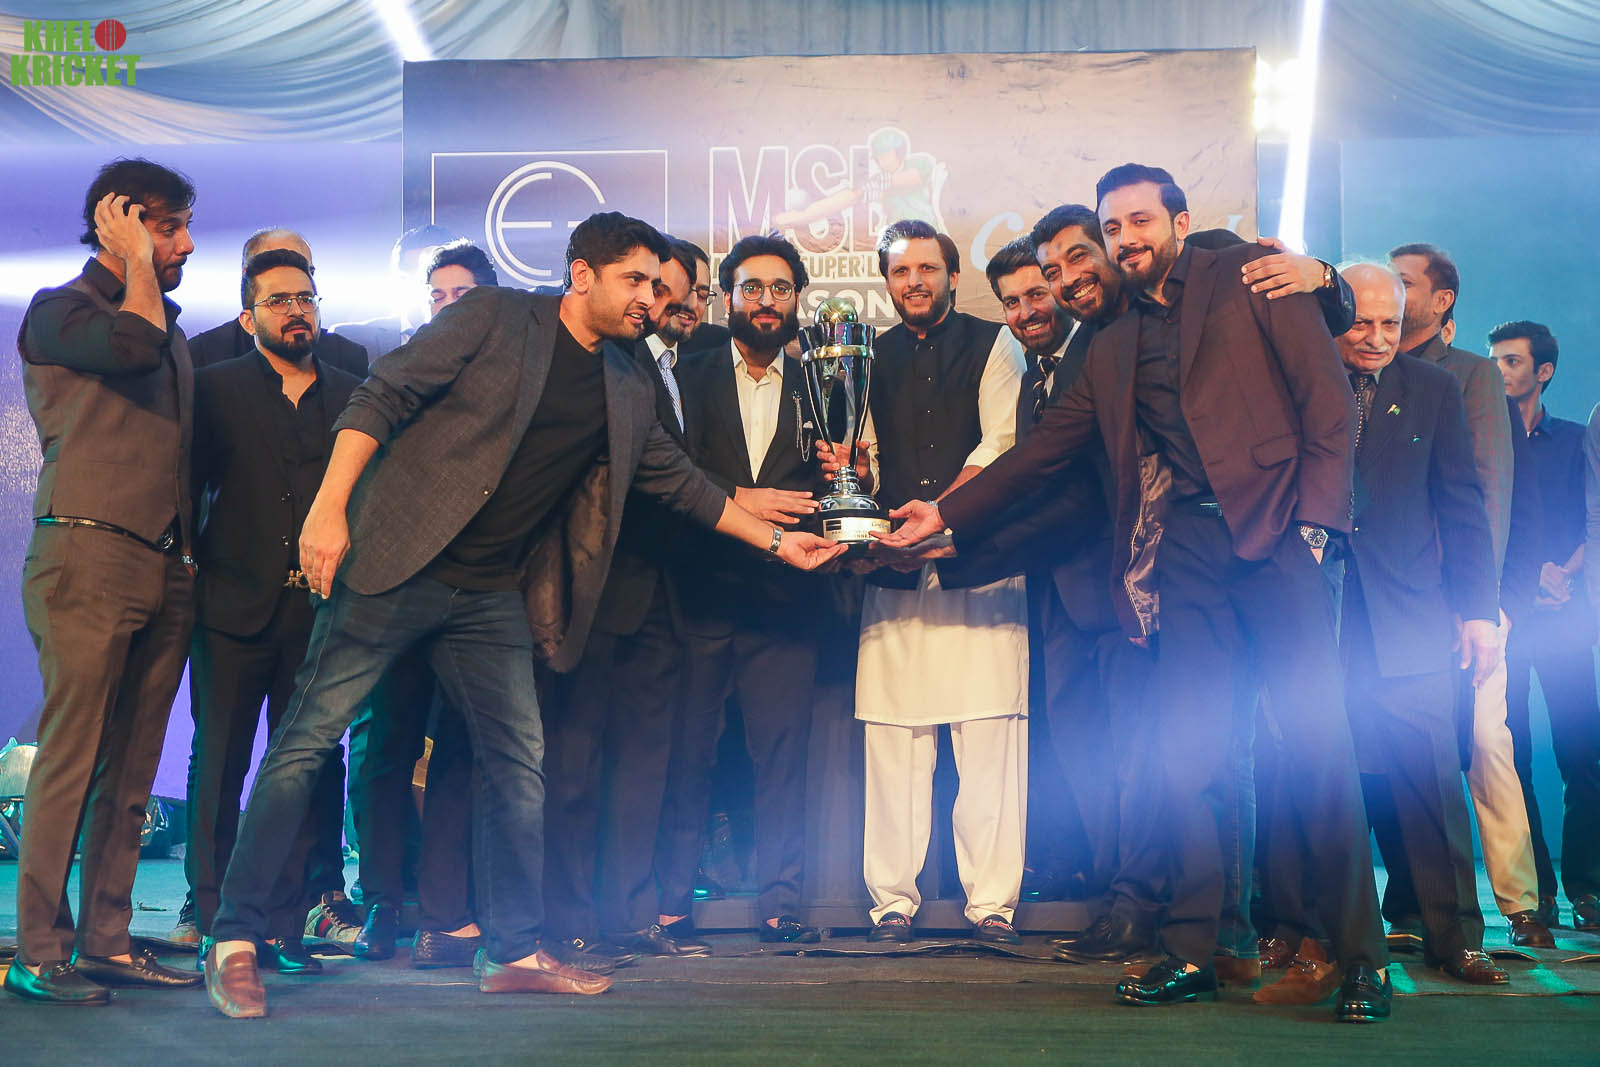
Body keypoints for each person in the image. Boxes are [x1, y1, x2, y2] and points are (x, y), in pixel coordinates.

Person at [202, 211, 842, 1019]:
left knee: (518, 762)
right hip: (397, 562)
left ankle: (510, 949)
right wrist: (329, 509)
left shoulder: (626, 381)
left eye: (656, 284)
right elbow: (382, 394)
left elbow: (677, 481)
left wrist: (780, 542)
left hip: (487, 591)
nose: (651, 298)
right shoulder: (495, 316)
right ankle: (233, 938)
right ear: (582, 275)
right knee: (305, 741)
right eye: (635, 281)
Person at [879, 164, 1393, 1023]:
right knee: (1186, 756)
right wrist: (945, 512)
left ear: (1179, 222)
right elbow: (1041, 452)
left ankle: (1363, 960)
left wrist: (1315, 528)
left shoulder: (1244, 271)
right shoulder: (1109, 345)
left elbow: (1327, 397)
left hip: (1279, 540)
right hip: (1188, 554)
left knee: (1319, 747)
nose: (1126, 239)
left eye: (1137, 221)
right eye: (1113, 228)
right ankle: (1190, 950)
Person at [7, 157, 204, 1004]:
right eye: (167, 226)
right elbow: (131, 346)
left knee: (132, 768)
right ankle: (38, 949)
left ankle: (107, 941)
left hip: (166, 564)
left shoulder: (167, 326)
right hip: (87, 555)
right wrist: (135, 264)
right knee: (73, 756)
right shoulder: (63, 310)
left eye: (185, 227)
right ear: (115, 222)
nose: (185, 244)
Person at [836, 219, 1031, 946]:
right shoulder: (867, 355)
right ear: (887, 281)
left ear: (953, 275)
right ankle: (891, 901)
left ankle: (993, 903)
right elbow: (861, 457)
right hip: (892, 572)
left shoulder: (996, 342)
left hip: (978, 565)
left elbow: (1002, 444)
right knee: (894, 742)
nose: (914, 281)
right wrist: (864, 498)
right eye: (900, 271)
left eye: (927, 268)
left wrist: (937, 521)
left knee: (990, 742)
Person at [1315, 263, 1506, 989]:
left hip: (1413, 616)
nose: (1375, 337)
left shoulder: (1435, 388)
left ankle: (1455, 938)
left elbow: (1462, 502)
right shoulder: (1305, 381)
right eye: (1360, 322)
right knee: (1319, 781)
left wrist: (1478, 610)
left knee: (1432, 783)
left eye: (1389, 324)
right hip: (1320, 615)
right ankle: (1309, 933)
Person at [185, 249, 364, 974]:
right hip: (230, 608)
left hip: (319, 614)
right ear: (247, 315)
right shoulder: (214, 388)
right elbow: (185, 489)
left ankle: (286, 924)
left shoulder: (354, 396)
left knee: (305, 768)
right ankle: (215, 921)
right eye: (280, 300)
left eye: (306, 298)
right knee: (220, 765)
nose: (297, 310)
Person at [541, 238, 715, 968]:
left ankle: (630, 913)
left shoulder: (682, 366)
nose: (658, 301)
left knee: (645, 768)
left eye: (673, 290)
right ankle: (568, 919)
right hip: (596, 591)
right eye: (647, 286)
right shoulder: (610, 358)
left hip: (665, 597)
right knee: (575, 765)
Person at [663, 234, 828, 945]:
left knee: (784, 759)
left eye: (780, 288)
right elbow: (666, 470)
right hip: (697, 593)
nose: (766, 301)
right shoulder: (684, 371)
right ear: (726, 297)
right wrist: (739, 498)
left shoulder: (822, 377)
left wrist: (849, 473)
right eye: (752, 287)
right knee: (686, 755)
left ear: (797, 299)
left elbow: (836, 486)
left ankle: (782, 902)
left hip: (787, 600)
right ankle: (669, 903)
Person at [1383, 243, 1533, 944]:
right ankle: (1408, 905)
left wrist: (1471, 600)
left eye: (1405, 282)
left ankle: (1503, 907)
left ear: (1442, 299)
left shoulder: (1469, 374)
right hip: (1388, 594)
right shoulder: (1365, 363)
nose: (1392, 293)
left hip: (1451, 598)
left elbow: (1485, 492)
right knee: (1394, 750)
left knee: (1471, 746)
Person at [1494, 320, 1600, 933]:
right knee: (1512, 758)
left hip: (1566, 615)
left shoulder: (1578, 440)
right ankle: (1537, 894)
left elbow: (1594, 517)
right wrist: (1529, 576)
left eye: (1512, 361)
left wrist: (1562, 573)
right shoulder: (1483, 439)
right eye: (1495, 361)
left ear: (1544, 371)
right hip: (1509, 616)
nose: (1500, 372)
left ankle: (1589, 887)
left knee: (1582, 756)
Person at [186, 228, 369, 376]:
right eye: (280, 266)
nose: (295, 277)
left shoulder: (347, 356)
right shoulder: (203, 354)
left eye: (306, 271)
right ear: (248, 276)